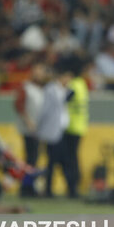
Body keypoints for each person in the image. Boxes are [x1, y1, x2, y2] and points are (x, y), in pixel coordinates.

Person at [36, 63, 73, 198]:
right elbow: (45, 111)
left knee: (59, 161)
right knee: (54, 161)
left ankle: (64, 188)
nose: (69, 80)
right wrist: (40, 128)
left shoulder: (65, 89)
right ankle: (50, 189)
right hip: (52, 132)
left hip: (61, 131)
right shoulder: (51, 89)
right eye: (68, 77)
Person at [14, 63, 47, 197]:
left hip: (38, 129)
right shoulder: (27, 87)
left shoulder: (41, 89)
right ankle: (27, 187)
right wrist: (28, 121)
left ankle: (30, 186)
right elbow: (19, 105)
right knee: (31, 159)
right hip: (29, 129)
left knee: (34, 159)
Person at [62, 58, 90, 198]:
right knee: (73, 158)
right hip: (80, 126)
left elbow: (64, 99)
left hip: (71, 127)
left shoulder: (73, 85)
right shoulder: (82, 84)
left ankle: (72, 188)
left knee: (70, 159)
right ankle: (74, 187)